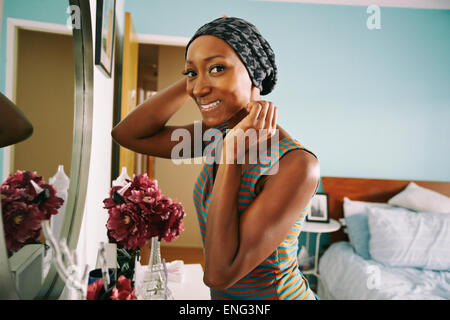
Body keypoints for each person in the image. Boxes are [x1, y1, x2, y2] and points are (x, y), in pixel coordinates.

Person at [111, 17, 320, 300]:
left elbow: (220, 275)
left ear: (253, 72)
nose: (197, 89)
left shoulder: (296, 164)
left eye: (218, 68)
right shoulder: (217, 134)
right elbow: (128, 134)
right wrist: (198, 73)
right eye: (191, 73)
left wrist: (231, 157)